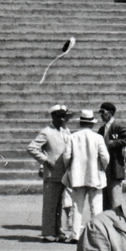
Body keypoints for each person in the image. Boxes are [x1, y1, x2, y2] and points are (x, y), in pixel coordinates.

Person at [27, 104, 73, 243]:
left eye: (63, 117)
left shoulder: (66, 131)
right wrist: (45, 160)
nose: (62, 119)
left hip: (64, 174)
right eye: (59, 117)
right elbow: (32, 147)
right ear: (53, 117)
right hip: (52, 174)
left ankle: (58, 230)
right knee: (50, 205)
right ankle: (48, 232)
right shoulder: (46, 132)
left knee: (60, 204)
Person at [66, 108, 110, 238]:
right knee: (96, 208)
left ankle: (75, 235)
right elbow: (105, 157)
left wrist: (70, 168)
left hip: (77, 176)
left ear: (80, 123)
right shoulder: (98, 138)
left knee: (76, 207)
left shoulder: (72, 137)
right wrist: (101, 168)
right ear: (91, 124)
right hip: (95, 176)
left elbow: (66, 157)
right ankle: (96, 235)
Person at [96, 103, 126, 210]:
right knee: (105, 199)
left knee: (115, 198)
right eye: (100, 112)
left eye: (103, 112)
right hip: (104, 168)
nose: (101, 115)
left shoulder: (118, 127)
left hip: (115, 166)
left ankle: (117, 222)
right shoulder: (101, 129)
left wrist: (113, 143)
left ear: (110, 113)